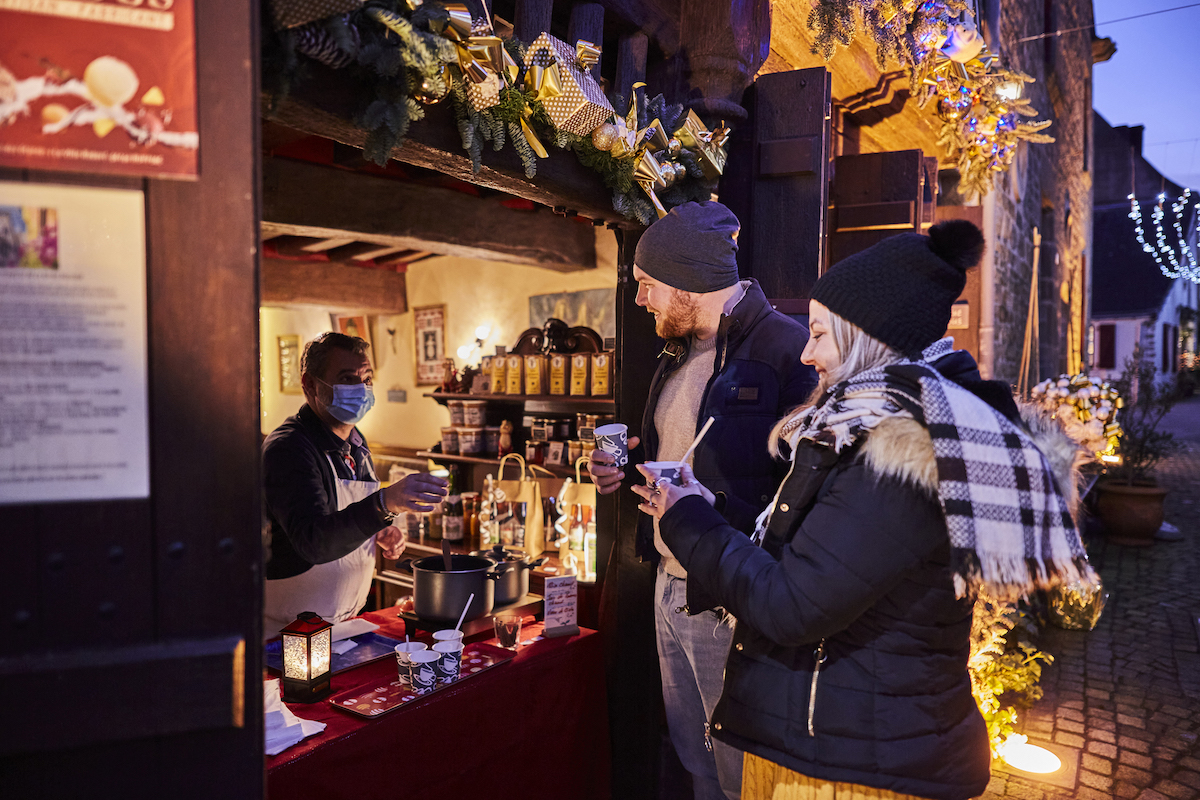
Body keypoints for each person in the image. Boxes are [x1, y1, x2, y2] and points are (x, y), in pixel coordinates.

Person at [637, 220, 1097, 800]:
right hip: (845, 742)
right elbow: (816, 557)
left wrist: (686, 518)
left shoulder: (901, 449)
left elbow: (792, 603)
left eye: (820, 335)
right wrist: (714, 509)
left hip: (855, 768)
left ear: (863, 339)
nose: (807, 354)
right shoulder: (871, 428)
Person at [588, 201, 816, 800]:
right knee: (693, 755)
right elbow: (681, 453)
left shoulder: (787, 350)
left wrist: (715, 507)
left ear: (690, 281)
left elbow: (806, 490)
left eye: (647, 286)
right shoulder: (678, 350)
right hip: (670, 583)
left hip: (729, 598)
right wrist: (623, 468)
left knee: (740, 771)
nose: (640, 302)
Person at [263, 331, 448, 634]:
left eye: (367, 378)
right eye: (348, 379)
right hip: (287, 634)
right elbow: (314, 540)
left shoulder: (357, 446)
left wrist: (380, 528)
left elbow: (346, 517)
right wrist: (383, 505)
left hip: (343, 625)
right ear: (310, 384)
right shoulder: (289, 449)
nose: (361, 389)